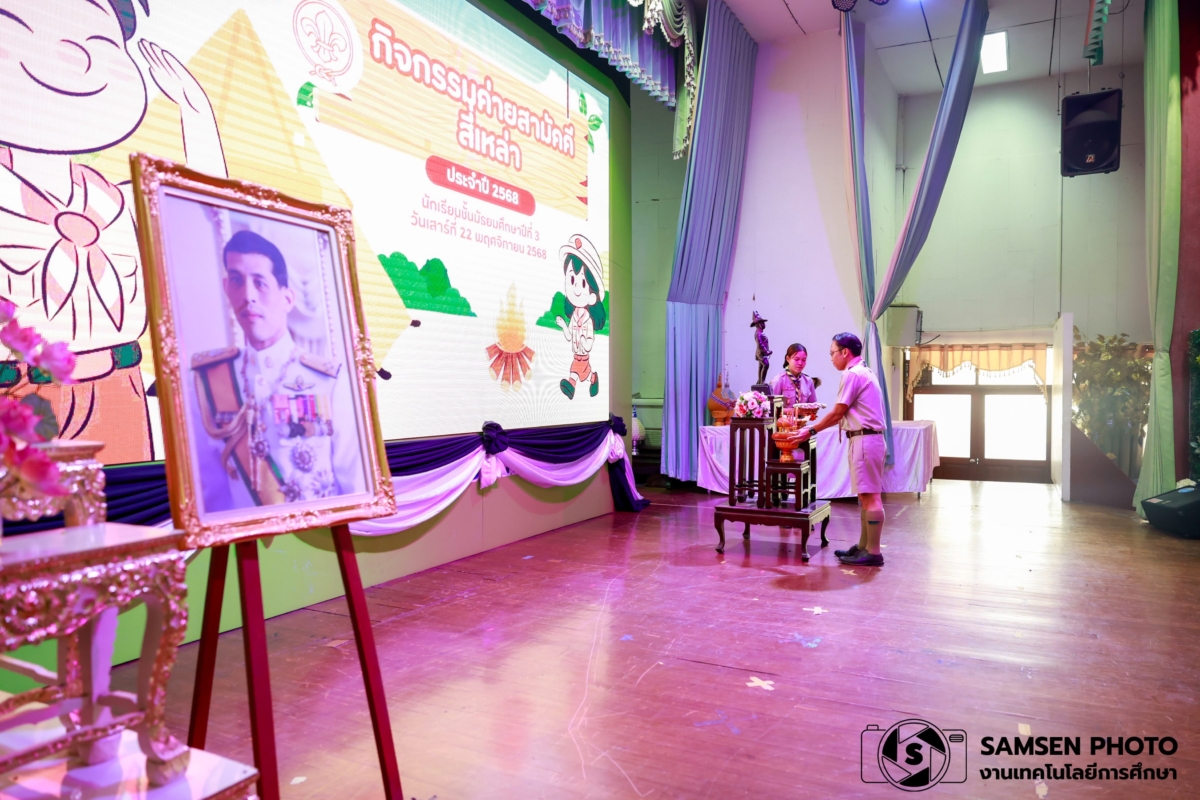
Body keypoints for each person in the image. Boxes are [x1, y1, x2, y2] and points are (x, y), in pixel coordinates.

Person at [0, 0, 227, 464]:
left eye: (101, 43)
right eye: (22, 28)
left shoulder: (120, 201)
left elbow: (205, 218)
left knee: (128, 506)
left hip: (117, 389)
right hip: (21, 397)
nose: (76, 57)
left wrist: (197, 115)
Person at [190, 230, 363, 511]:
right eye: (237, 281)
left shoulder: (329, 380)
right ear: (226, 288)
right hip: (243, 534)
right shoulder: (205, 380)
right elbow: (211, 490)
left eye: (260, 283)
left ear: (288, 299)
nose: (248, 296)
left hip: (319, 533)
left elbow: (353, 485)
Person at [791, 333, 887, 567]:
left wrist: (810, 430)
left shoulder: (853, 374)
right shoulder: (864, 371)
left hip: (865, 440)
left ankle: (873, 552)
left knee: (871, 497)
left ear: (845, 352)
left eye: (832, 353)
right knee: (865, 495)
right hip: (865, 439)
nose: (831, 358)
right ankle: (864, 546)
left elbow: (837, 413)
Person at [556, 234, 605, 399]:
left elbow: (589, 341)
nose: (576, 289)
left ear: (592, 296)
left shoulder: (588, 320)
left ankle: (572, 385)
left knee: (576, 372)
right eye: (571, 280)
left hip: (583, 356)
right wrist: (563, 325)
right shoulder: (574, 317)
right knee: (582, 373)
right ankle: (592, 379)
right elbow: (570, 336)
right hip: (577, 355)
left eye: (583, 283)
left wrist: (584, 342)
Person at [769, 343, 820, 409]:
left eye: (803, 360)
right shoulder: (778, 380)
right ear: (788, 358)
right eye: (796, 359)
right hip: (784, 416)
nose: (800, 363)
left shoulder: (808, 381)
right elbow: (772, 408)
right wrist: (790, 412)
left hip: (803, 416)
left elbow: (812, 406)